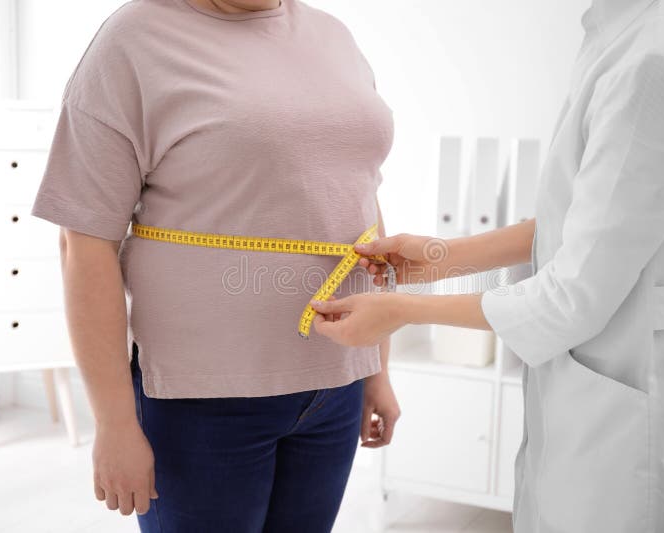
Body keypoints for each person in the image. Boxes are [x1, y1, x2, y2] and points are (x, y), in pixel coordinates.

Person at [311, 0, 664, 531]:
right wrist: (441, 258)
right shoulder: (636, 30)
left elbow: (573, 296)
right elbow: (583, 221)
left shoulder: (662, 54)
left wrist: (402, 311)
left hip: (640, 400)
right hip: (631, 374)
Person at [30, 0, 399, 531]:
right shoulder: (133, 40)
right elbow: (84, 244)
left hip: (335, 387)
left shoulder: (331, 34)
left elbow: (357, 202)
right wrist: (113, 422)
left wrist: (376, 370)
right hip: (201, 398)